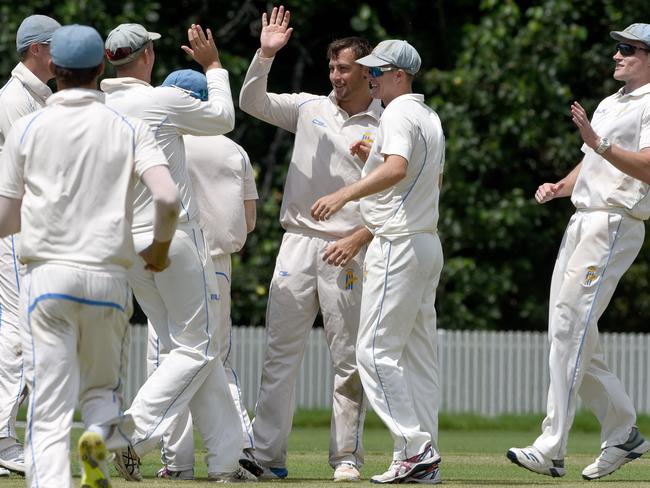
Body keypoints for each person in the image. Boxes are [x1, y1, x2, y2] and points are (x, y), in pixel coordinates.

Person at [0, 23, 180, 488]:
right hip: (108, 278)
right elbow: (166, 197)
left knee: (49, 406)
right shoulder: (128, 125)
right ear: (100, 66)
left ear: (54, 69)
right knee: (101, 389)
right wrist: (158, 250)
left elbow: (5, 218)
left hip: (47, 280)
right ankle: (100, 432)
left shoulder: (27, 126)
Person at [102, 23, 257, 482]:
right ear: (147, 56)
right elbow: (224, 119)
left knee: (188, 348)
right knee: (202, 345)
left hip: (126, 245)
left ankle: (227, 462)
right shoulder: (159, 100)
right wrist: (212, 67)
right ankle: (129, 434)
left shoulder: (99, 108)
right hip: (172, 239)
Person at [239, 5, 382, 481]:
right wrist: (265, 53)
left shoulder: (387, 125)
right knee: (281, 352)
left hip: (349, 248)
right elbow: (251, 102)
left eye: (344, 68)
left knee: (348, 360)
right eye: (332, 68)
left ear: (368, 71)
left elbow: (408, 196)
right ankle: (266, 456)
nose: (335, 76)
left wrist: (362, 237)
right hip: (298, 242)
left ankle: (346, 457)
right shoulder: (309, 108)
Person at [507, 23, 650, 481]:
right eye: (617, 48)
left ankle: (551, 446)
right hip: (583, 219)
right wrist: (561, 185)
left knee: (571, 331)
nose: (616, 56)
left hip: (614, 221)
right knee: (567, 333)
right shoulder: (612, 102)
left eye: (627, 49)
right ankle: (623, 430)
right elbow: (591, 159)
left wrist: (598, 142)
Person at [311, 39, 445, 484]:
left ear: (400, 76)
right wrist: (369, 163)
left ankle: (414, 446)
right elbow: (431, 176)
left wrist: (343, 193)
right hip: (426, 241)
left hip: (399, 243)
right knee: (418, 356)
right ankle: (425, 457)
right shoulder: (429, 116)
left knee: (372, 351)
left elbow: (397, 168)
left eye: (377, 71)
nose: (369, 77)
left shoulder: (400, 113)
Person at [149, 68, 260, 480]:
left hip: (171, 258)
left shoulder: (163, 142)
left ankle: (176, 462)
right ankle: (240, 448)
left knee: (169, 358)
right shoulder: (234, 150)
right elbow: (248, 220)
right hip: (218, 263)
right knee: (217, 358)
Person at [0, 13, 60, 477]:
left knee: (22, 333)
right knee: (20, 336)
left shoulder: (38, 96)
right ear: (37, 48)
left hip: (30, 228)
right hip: (18, 230)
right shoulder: (15, 100)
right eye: (56, 45)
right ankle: (3, 438)